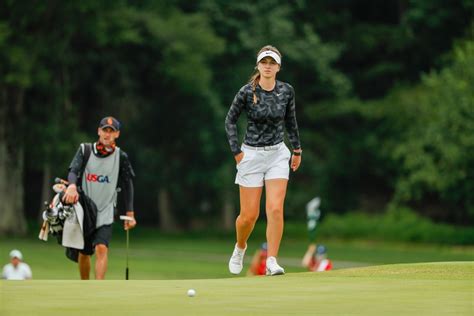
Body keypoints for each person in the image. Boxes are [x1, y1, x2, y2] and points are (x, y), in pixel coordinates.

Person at [225, 45, 302, 276]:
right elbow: (229, 121)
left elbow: (291, 121)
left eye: (272, 63)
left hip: (278, 153)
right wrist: (236, 151)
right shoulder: (247, 92)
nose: (268, 66)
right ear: (258, 65)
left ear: (278, 67)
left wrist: (296, 149)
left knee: (275, 208)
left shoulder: (286, 91)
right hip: (251, 155)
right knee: (248, 216)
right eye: (264, 62)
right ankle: (240, 247)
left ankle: (272, 260)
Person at [62, 116, 137, 280]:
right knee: (84, 253)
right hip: (85, 211)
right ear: (99, 131)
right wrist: (72, 186)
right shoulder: (85, 150)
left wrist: (130, 212)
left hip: (106, 211)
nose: (107, 134)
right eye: (105, 130)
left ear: (117, 134)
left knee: (101, 248)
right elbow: (73, 171)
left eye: (111, 131)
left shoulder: (121, 156)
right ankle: (85, 286)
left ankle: (98, 287)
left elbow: (128, 183)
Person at [301, 197, 321, 267]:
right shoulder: (312, 215)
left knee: (312, 249)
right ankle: (307, 262)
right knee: (312, 248)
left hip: (312, 233)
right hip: (312, 235)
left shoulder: (313, 213)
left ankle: (311, 262)